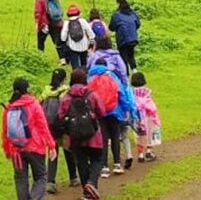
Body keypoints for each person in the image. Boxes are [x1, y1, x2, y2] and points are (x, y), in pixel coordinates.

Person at [2, 78, 57, 200]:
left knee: (20, 179)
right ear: (27, 89)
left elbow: (5, 131)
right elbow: (43, 126)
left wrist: (6, 149)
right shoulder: (33, 104)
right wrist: (51, 145)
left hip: (16, 150)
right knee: (41, 176)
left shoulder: (9, 107)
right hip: (35, 147)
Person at [58, 68, 107, 200]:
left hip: (75, 137)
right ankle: (91, 183)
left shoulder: (66, 97)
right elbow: (102, 111)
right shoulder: (91, 94)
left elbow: (60, 116)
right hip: (93, 135)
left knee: (81, 164)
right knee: (98, 159)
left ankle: (87, 193)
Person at [88, 59, 139, 177]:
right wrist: (126, 109)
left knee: (103, 139)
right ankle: (117, 164)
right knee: (115, 137)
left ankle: (104, 167)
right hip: (115, 111)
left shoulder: (91, 78)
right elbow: (121, 93)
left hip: (100, 113)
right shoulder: (113, 77)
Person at [39, 69, 79, 193]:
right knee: (69, 151)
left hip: (49, 127)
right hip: (63, 126)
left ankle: (50, 182)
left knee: (52, 152)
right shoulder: (65, 91)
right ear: (64, 79)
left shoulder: (45, 92)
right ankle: (73, 177)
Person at [131, 72, 161, 162]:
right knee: (150, 133)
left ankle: (140, 154)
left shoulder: (131, 92)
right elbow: (151, 104)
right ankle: (149, 151)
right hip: (148, 116)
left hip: (137, 117)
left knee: (139, 135)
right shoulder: (147, 91)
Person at [34, 0, 67, 66]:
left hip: (44, 24)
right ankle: (63, 59)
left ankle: (40, 59)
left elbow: (38, 13)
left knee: (41, 41)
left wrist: (37, 23)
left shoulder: (40, 0)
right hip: (56, 23)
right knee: (58, 42)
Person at [110, 0, 141, 73]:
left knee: (123, 57)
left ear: (118, 4)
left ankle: (125, 74)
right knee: (131, 54)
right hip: (133, 38)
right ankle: (134, 71)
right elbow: (138, 23)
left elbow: (111, 27)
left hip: (122, 38)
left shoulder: (116, 15)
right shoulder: (132, 13)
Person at [60, 5, 95, 70]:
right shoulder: (83, 21)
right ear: (78, 12)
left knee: (75, 68)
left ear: (68, 14)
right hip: (84, 46)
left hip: (72, 47)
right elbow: (92, 34)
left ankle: (76, 78)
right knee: (84, 66)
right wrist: (91, 42)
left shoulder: (67, 23)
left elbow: (63, 38)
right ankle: (85, 78)